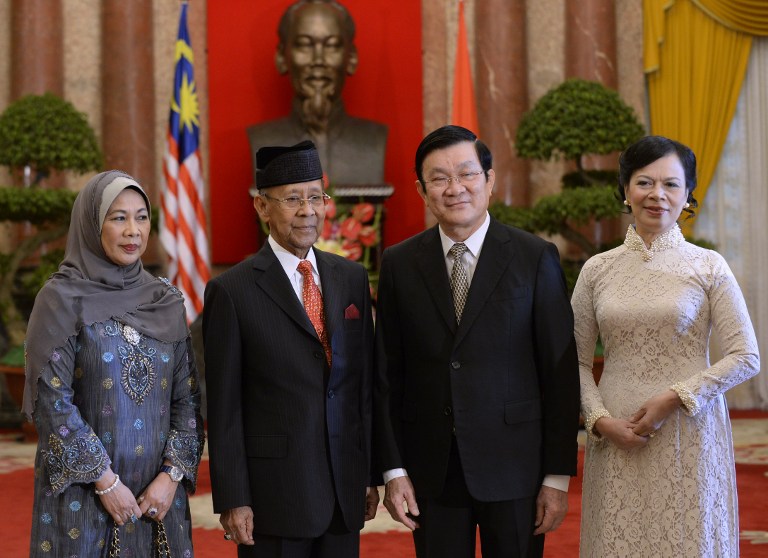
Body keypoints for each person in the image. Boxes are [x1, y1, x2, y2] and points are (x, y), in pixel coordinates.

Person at [374, 125, 581, 557]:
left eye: (467, 174)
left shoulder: (534, 257)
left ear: (489, 180)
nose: (455, 189)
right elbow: (387, 375)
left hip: (516, 466)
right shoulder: (398, 263)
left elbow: (559, 374)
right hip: (432, 468)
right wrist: (393, 470)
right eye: (439, 178)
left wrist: (556, 477)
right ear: (421, 189)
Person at [572, 135, 760, 556]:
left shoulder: (708, 265)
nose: (657, 195)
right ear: (625, 190)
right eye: (644, 182)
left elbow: (746, 357)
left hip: (689, 429)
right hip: (615, 434)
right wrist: (600, 421)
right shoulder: (596, 269)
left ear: (688, 194)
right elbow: (575, 360)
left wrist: (676, 397)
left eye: (671, 184)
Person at [204, 140, 377, 557]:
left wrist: (369, 472)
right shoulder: (232, 290)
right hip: (273, 495)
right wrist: (233, 496)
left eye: (316, 196)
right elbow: (224, 407)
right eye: (293, 199)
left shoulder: (351, 277)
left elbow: (364, 386)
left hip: (344, 487)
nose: (308, 210)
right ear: (262, 207)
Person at [23, 170, 205, 556]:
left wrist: (171, 477)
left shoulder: (166, 300)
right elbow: (53, 403)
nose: (133, 231)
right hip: (83, 500)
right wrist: (106, 483)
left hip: (157, 502)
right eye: (118, 217)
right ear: (92, 223)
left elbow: (187, 400)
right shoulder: (60, 299)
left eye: (141, 217)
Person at [247, 0, 387, 189]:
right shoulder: (263, 140)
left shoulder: (373, 139)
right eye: (304, 45)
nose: (318, 60)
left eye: (332, 45)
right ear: (281, 57)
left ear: (351, 57)